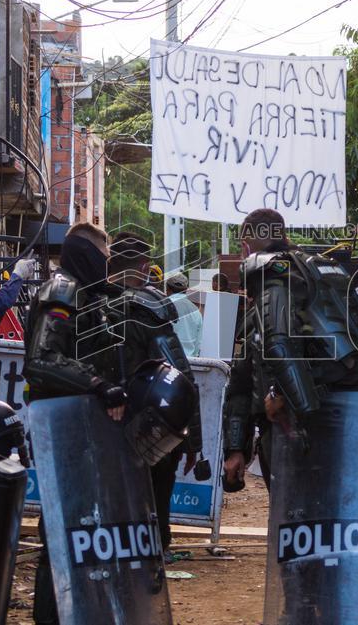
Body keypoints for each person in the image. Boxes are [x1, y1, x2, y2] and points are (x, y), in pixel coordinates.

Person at [222, 208, 358, 491]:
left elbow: (277, 346)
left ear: (247, 245)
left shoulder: (272, 274)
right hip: (355, 413)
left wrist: (288, 405)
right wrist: (237, 446)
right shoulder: (326, 272)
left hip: (297, 429)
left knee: (298, 518)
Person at [22, 222, 126, 625]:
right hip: (60, 425)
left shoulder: (85, 294)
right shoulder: (62, 291)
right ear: (87, 254)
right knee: (61, 531)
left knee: (82, 527)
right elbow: (42, 360)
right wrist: (98, 384)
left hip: (79, 425)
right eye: (104, 255)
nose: (107, 264)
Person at [106, 232, 202, 558]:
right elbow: (180, 375)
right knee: (154, 504)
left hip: (102, 422)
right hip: (150, 424)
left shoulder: (85, 302)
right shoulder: (147, 307)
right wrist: (192, 441)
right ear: (145, 266)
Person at [165, 273, 203, 358]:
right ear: (186, 290)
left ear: (168, 289)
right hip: (189, 363)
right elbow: (198, 344)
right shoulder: (196, 312)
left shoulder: (162, 307)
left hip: (167, 362)